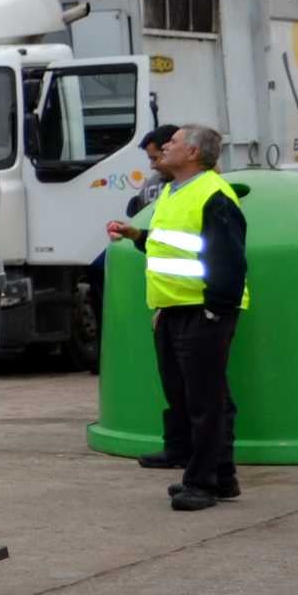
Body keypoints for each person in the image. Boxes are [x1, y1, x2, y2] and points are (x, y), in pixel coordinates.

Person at [105, 123, 244, 510]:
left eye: (175, 142)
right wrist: (136, 236)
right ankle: (220, 476)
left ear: (194, 153)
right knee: (190, 396)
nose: (165, 146)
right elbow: (172, 247)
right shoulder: (171, 191)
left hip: (203, 311)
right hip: (174, 310)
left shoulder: (215, 194)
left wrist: (215, 311)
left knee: (205, 401)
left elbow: (229, 260)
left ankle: (201, 482)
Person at [97, 123, 182, 449]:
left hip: (194, 306)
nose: (153, 164)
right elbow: (156, 239)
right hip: (166, 299)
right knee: (173, 384)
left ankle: (210, 469)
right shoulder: (156, 187)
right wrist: (134, 234)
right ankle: (176, 446)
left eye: (155, 156)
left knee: (199, 390)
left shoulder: (199, 191)